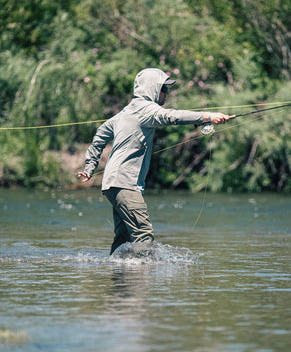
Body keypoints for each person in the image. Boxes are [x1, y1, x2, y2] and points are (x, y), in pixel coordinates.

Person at [78, 67, 234, 255]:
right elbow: (171, 116)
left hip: (113, 184)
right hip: (125, 184)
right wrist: (207, 116)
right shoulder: (146, 110)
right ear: (151, 88)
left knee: (124, 238)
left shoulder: (126, 112)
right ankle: (143, 278)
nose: (166, 94)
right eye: (164, 88)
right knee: (144, 235)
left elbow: (100, 134)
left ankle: (118, 276)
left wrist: (90, 166)